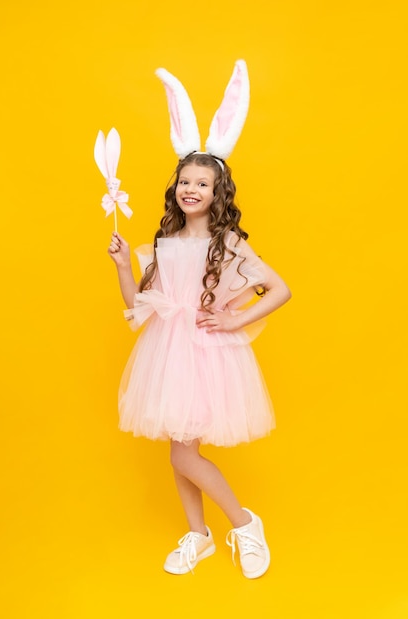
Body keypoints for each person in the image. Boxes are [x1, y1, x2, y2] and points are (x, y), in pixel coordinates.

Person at [107, 62, 291, 578]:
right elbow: (141, 306)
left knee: (183, 455)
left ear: (218, 193)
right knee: (178, 454)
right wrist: (124, 266)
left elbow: (280, 289)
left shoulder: (227, 242)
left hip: (205, 353)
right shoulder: (165, 241)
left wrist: (235, 321)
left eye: (202, 183)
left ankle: (242, 524)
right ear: (177, 188)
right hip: (168, 350)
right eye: (184, 180)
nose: (191, 188)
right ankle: (198, 535)